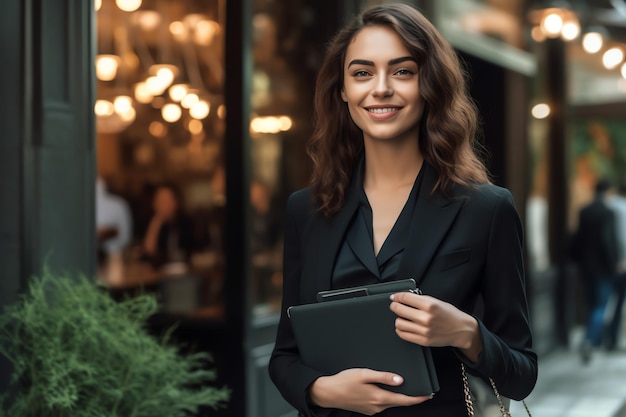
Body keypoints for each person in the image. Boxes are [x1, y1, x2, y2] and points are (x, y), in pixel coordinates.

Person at [268, 4, 537, 417]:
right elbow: (284, 358)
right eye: (361, 73)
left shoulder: (487, 209)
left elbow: (522, 375)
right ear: (342, 90)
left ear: (429, 84)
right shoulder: (305, 210)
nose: (380, 88)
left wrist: (466, 333)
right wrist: (322, 391)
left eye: (402, 71)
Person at [572, 178, 620, 362]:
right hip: (603, 267)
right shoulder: (608, 213)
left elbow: (579, 239)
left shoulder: (585, 211)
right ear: (607, 192)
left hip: (586, 266)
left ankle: (594, 339)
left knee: (592, 305)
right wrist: (614, 262)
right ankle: (589, 340)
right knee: (601, 306)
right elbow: (607, 240)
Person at [142, 184, 194, 269]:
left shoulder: (187, 223)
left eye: (168, 200)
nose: (164, 205)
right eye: (160, 201)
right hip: (159, 273)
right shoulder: (152, 222)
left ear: (176, 202)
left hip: (184, 271)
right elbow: (149, 251)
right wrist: (155, 225)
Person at [95, 177, 132, 277]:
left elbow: (125, 236)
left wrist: (114, 250)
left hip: (114, 259)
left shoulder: (118, 205)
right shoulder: (79, 205)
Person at [606, 181, 626, 351]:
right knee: (618, 301)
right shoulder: (621, 208)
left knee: (612, 301)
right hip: (621, 262)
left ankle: (610, 337)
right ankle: (611, 338)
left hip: (611, 262)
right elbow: (621, 237)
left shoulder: (611, 205)